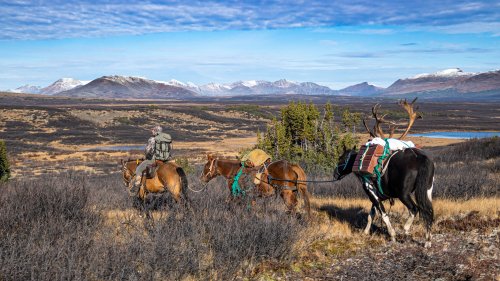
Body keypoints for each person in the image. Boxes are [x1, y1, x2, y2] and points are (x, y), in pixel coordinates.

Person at [129, 125, 172, 194]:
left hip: (154, 159)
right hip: (166, 160)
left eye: (153, 130)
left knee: (139, 169)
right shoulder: (167, 138)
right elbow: (170, 148)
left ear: (156, 131)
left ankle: (136, 186)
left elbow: (148, 151)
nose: (151, 131)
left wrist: (147, 157)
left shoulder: (152, 139)